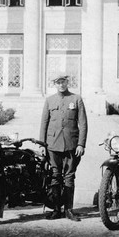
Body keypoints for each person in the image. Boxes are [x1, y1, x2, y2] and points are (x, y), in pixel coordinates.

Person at [39, 73, 88, 221]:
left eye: (64, 82)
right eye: (58, 82)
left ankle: (69, 210)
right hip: (53, 145)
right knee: (55, 176)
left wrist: (81, 144)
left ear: (68, 82)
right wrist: (42, 144)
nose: (61, 85)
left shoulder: (76, 99)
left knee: (69, 177)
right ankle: (55, 209)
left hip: (71, 144)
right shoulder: (49, 100)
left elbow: (83, 124)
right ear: (55, 84)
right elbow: (44, 124)